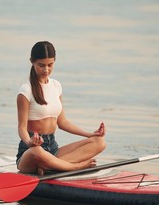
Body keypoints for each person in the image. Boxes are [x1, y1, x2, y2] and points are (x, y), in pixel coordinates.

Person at [16, 41, 106, 175]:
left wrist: (91, 134)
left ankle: (49, 165)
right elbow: (21, 128)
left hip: (52, 148)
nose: (46, 70)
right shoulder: (26, 90)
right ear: (32, 62)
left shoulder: (56, 86)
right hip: (31, 151)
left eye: (50, 65)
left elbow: (62, 122)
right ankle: (76, 167)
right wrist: (29, 142)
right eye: (41, 65)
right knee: (38, 151)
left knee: (99, 142)